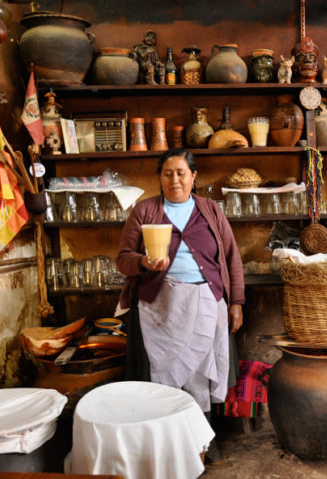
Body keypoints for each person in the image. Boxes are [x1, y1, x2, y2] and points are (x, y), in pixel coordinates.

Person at [115, 148, 244, 462]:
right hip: (161, 306)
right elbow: (122, 260)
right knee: (167, 373)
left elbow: (231, 257)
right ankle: (168, 442)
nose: (174, 179)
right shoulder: (144, 211)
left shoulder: (210, 210)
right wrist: (144, 262)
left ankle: (204, 440)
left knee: (201, 371)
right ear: (159, 178)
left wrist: (236, 301)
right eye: (167, 173)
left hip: (207, 300)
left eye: (181, 173)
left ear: (194, 176)